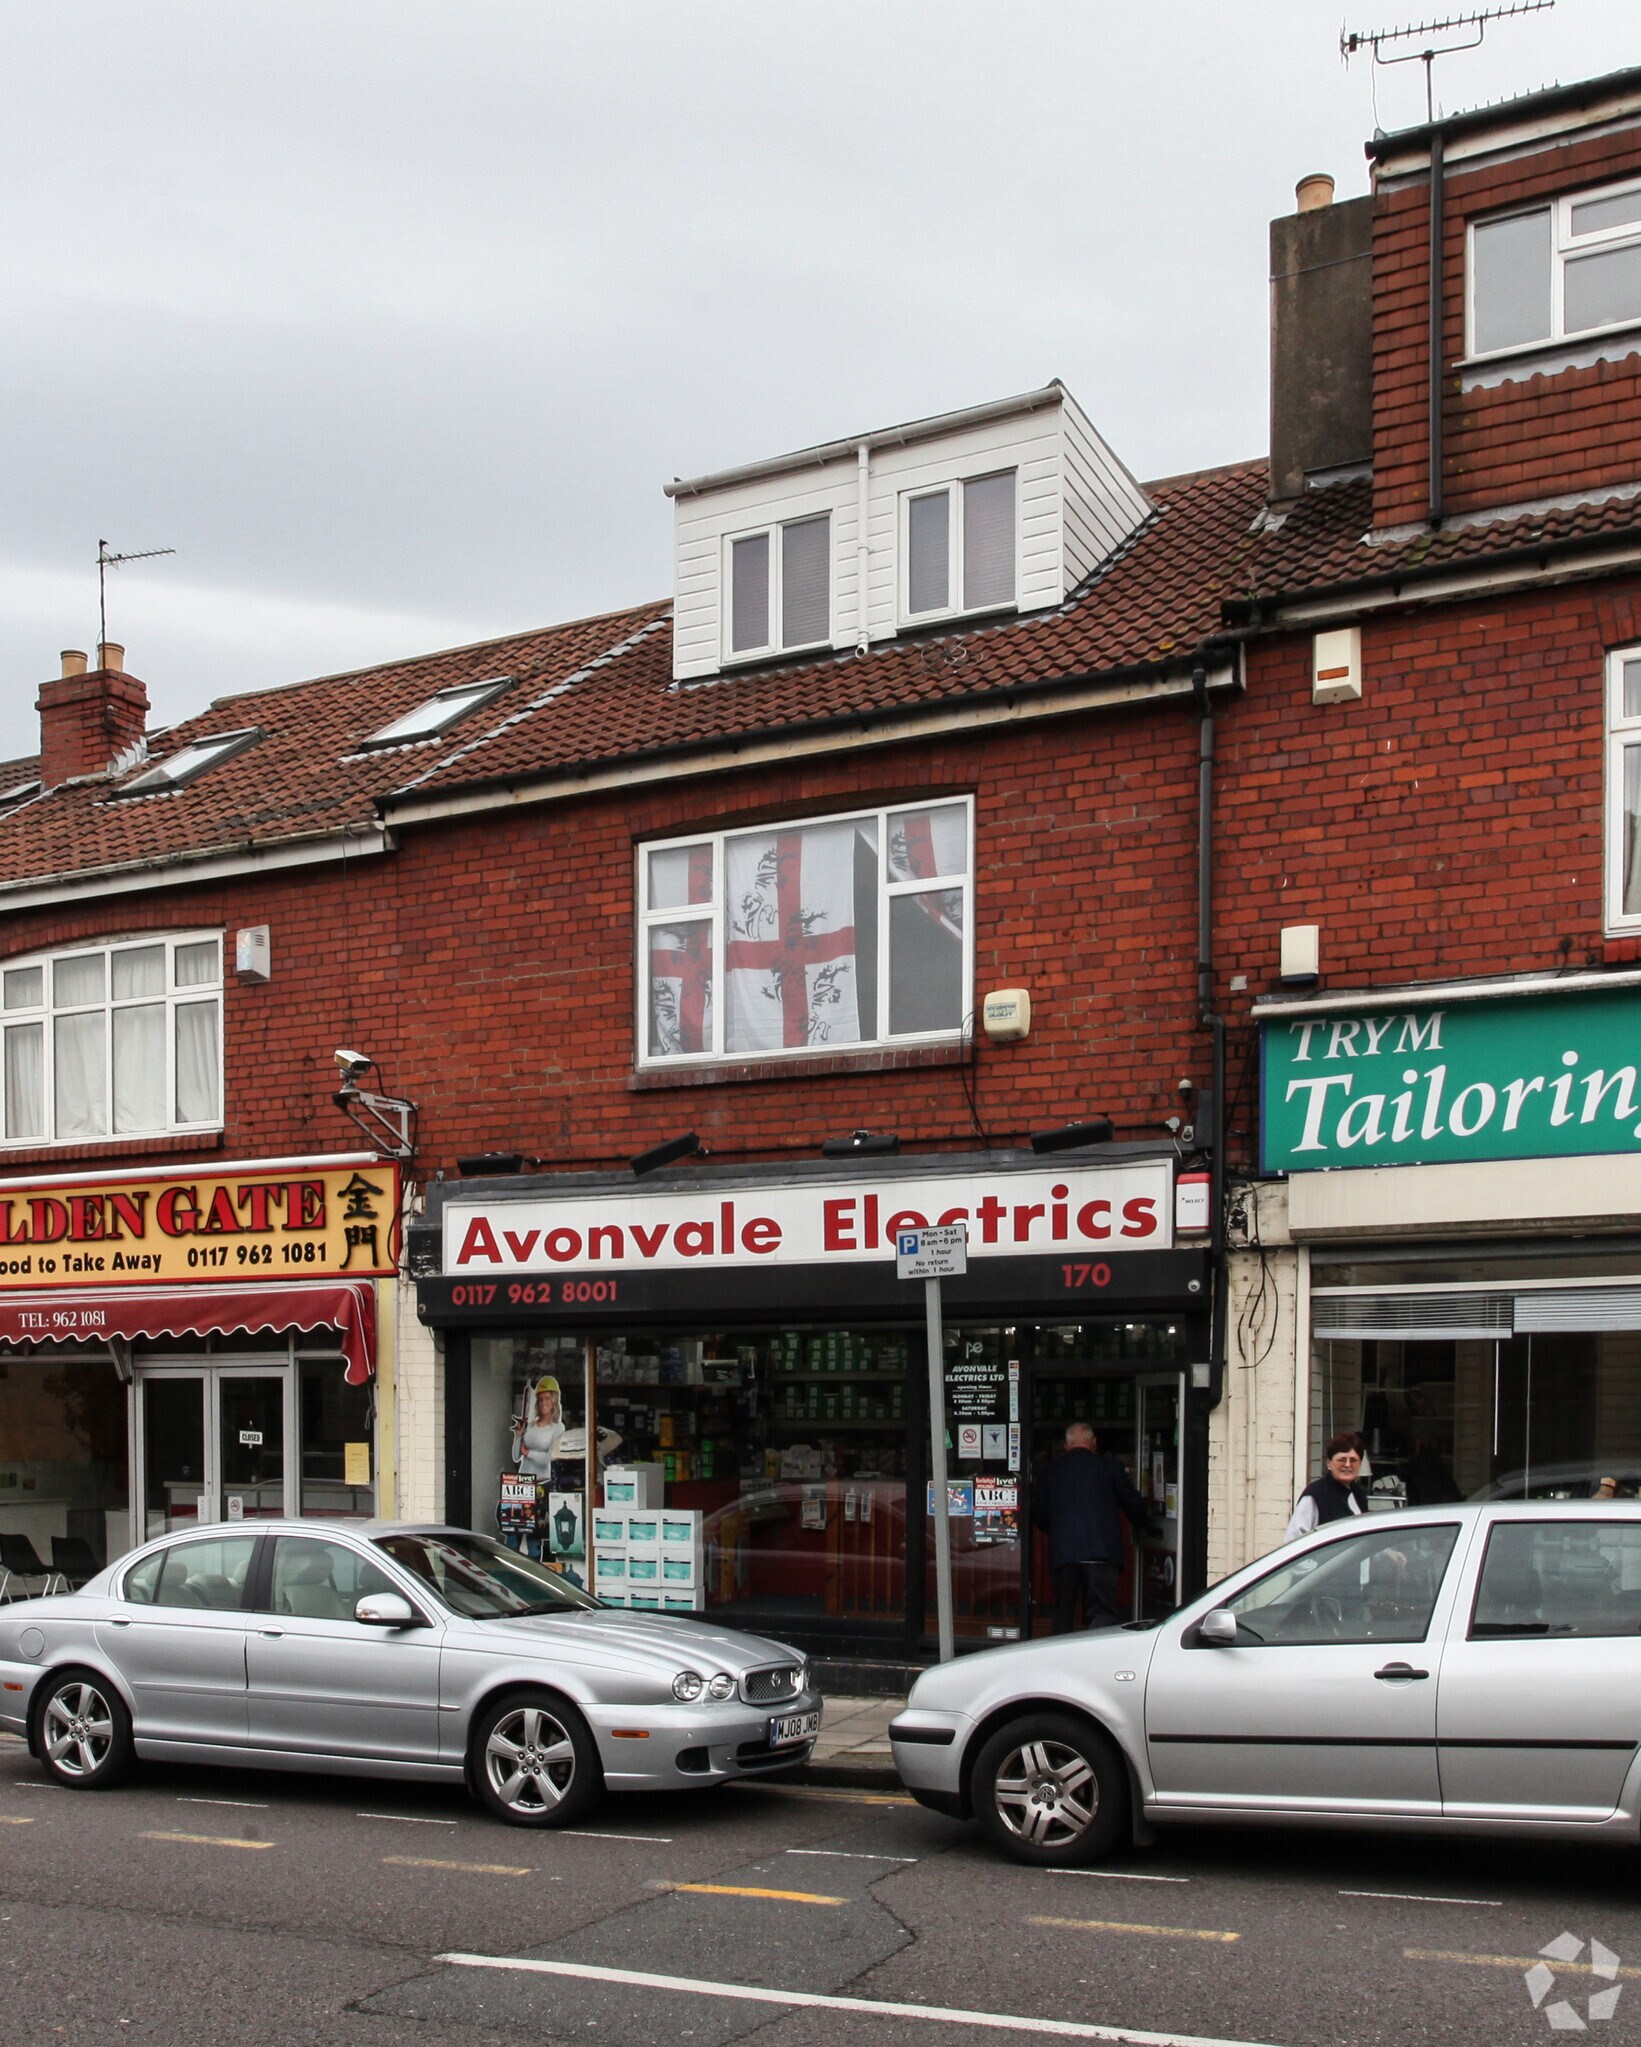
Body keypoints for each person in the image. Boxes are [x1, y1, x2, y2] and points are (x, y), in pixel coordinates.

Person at [1031, 1421, 1148, 1633]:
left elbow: (1038, 1514)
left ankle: (1059, 1657)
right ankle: (1098, 1660)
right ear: (1094, 1443)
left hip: (1064, 1554)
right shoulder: (1110, 1467)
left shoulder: (1050, 1471)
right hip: (1101, 1553)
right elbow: (1134, 1505)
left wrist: (1058, 1532)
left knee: (1063, 1613)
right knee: (1102, 1612)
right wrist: (1144, 1523)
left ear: (1066, 1446)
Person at [1285, 1431, 1370, 1541]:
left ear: (1360, 1464)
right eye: (1342, 1460)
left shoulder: (1359, 1494)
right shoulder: (1316, 1495)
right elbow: (1294, 1539)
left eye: (1353, 1460)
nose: (1348, 1465)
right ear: (1329, 1463)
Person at [511, 1375, 565, 1477]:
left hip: (543, 1480)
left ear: (554, 1401)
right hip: (524, 1479)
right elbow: (516, 1456)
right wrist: (518, 1436)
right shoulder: (530, 1425)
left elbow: (549, 1458)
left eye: (547, 1398)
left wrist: (528, 1453)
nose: (543, 1403)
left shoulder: (558, 1428)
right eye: (540, 1399)